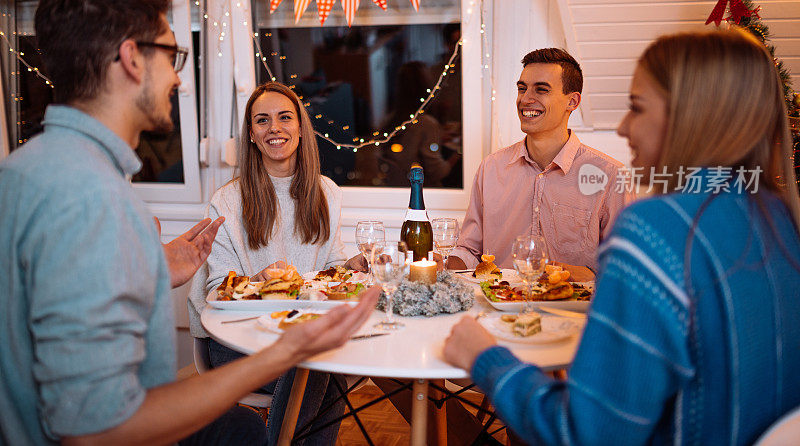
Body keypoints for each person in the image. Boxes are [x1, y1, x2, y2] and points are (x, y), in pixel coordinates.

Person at [0, 0, 380, 446]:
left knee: (251, 423)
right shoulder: (93, 200)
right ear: (132, 59)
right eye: (172, 54)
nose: (178, 77)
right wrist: (286, 352)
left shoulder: (25, 171)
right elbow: (98, 429)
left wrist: (153, 266)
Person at [443, 29, 800, 445]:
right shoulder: (778, 219)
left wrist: (484, 358)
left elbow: (586, 432)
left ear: (691, 115)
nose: (626, 127)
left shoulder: (655, 229)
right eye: (522, 88)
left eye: (637, 107)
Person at [188, 81, 360, 444]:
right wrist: (257, 281)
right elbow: (216, 290)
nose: (275, 128)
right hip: (236, 340)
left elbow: (331, 263)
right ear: (251, 134)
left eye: (285, 117)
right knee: (316, 370)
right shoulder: (227, 200)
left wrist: (353, 268)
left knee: (320, 371)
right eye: (262, 121)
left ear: (300, 126)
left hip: (298, 332)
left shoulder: (327, 192)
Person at [447, 48, 633, 279]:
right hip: (497, 309)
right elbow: (469, 250)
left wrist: (562, 273)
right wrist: (440, 265)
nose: (525, 99)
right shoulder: (491, 168)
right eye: (522, 88)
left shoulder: (610, 176)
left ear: (572, 101)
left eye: (541, 90)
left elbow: (623, 270)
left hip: (570, 312)